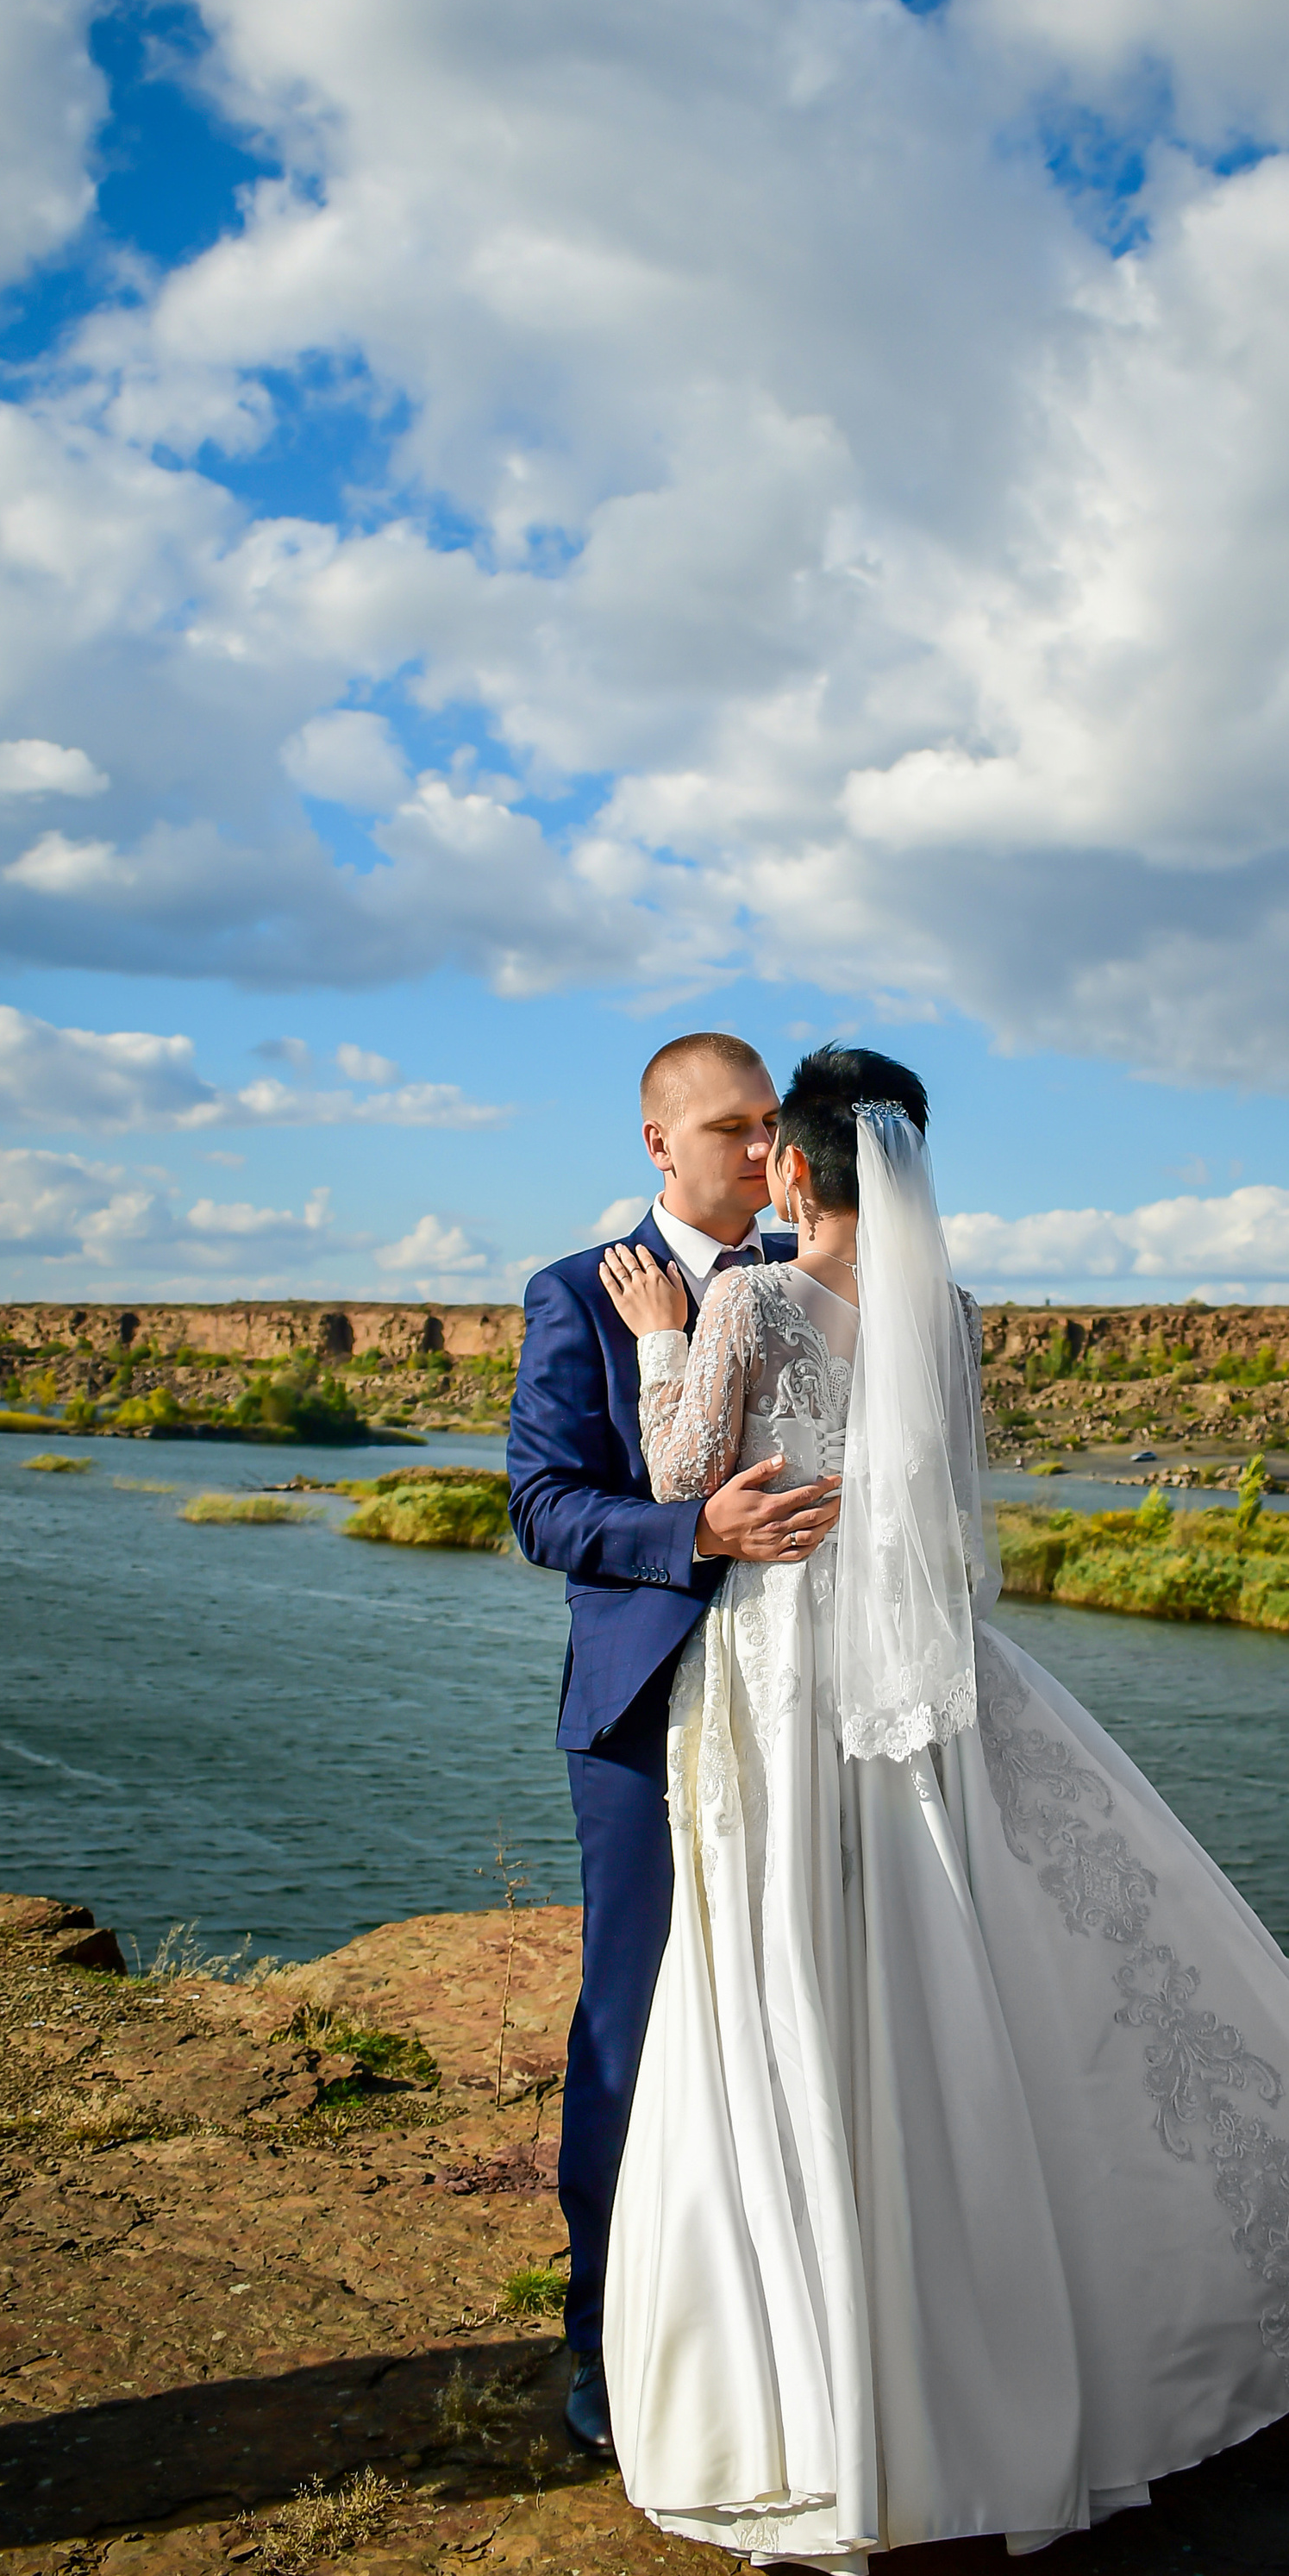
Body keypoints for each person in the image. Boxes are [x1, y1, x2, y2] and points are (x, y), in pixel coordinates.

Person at [592, 1045, 1289, 2573]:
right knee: (955, 1958)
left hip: (787, 1669)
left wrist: (663, 1344)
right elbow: (933, 1499)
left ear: (798, 1170)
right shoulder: (948, 1312)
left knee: (792, 1967)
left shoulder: (739, 1298)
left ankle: (828, 2401)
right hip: (923, 1663)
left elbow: (686, 1476)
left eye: (771, 1150)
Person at [509, 1032, 842, 2457]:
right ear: (658, 1143)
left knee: (799, 2015)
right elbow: (543, 1506)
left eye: (774, 1127)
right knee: (633, 2029)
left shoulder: (810, 1280)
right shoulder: (576, 1294)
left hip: (804, 1704)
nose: (761, 1153)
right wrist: (694, 1531)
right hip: (646, 1713)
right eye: (728, 1128)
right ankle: (604, 2336)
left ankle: (788, 2330)